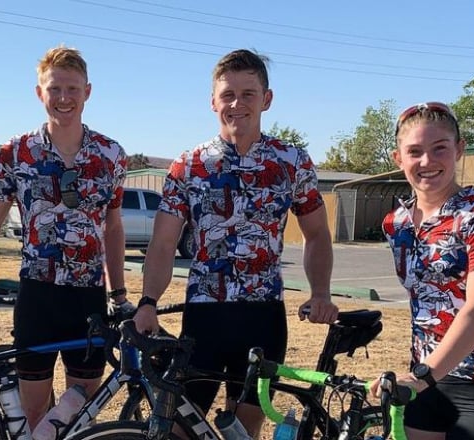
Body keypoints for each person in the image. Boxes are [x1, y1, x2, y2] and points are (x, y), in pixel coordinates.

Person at [132, 49, 338, 438]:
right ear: (213, 101)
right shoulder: (189, 165)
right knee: (181, 429)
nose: (237, 104)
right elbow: (161, 243)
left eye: (248, 94)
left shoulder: (291, 161)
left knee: (243, 430)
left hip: (262, 315)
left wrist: (321, 291)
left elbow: (317, 234)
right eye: (228, 94)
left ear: (267, 99)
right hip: (205, 316)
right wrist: (148, 302)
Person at [0, 45, 130, 431]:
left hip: (88, 297)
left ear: (88, 91)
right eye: (54, 89)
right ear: (40, 93)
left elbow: (114, 228)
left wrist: (119, 295)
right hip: (37, 296)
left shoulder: (111, 154)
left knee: (79, 417)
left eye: (72, 89)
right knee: (35, 419)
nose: (63, 98)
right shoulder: (17, 152)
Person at [379, 102, 474, 440]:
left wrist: (423, 376)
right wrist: (421, 378)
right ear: (398, 158)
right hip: (425, 385)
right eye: (414, 152)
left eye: (439, 149)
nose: (427, 162)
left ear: (459, 150)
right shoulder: (397, 223)